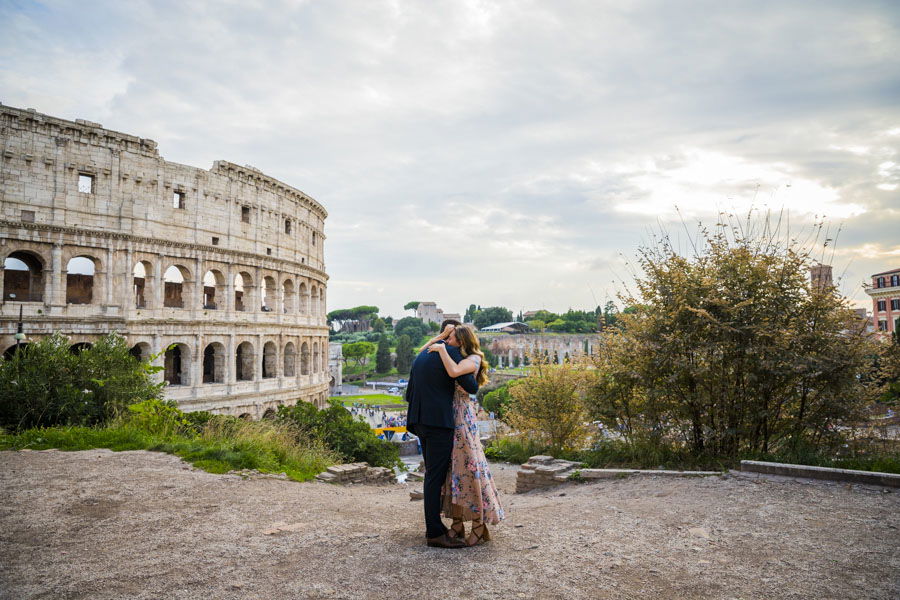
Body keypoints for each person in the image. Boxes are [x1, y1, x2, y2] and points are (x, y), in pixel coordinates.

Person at [425, 323, 504, 546]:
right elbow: (424, 352)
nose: (446, 342)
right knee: (453, 471)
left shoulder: (473, 359)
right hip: (449, 415)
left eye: (450, 339)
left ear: (461, 341)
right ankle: (457, 523)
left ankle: (479, 524)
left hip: (462, 416)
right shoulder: (458, 355)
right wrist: (439, 338)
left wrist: (440, 350)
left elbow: (454, 373)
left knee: (468, 468)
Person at [406, 320, 480, 548]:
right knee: (435, 478)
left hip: (418, 420)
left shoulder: (425, 353)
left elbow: (411, 390)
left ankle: (445, 525)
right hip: (438, 422)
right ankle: (435, 532)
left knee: (433, 476)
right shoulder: (452, 353)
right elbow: (471, 386)